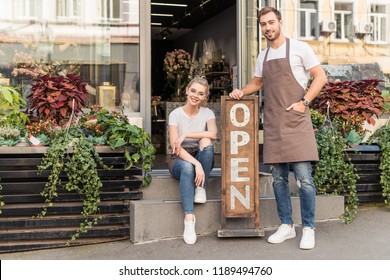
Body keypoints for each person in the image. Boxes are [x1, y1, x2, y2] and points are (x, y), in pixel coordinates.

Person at [229, 7, 327, 250]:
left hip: (296, 120)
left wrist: (304, 103)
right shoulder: (262, 56)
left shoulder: (300, 48)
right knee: (278, 179)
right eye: (263, 24)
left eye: (271, 22)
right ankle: (286, 225)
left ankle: (308, 228)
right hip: (273, 122)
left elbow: (320, 77)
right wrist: (242, 91)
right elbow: (258, 82)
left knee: (304, 179)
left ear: (280, 23)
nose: (267, 28)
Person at [168, 76, 218, 245]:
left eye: (201, 93)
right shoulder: (175, 114)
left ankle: (200, 188)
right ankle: (189, 219)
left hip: (200, 155)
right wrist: (196, 164)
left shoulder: (207, 113)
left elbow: (213, 134)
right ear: (187, 90)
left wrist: (186, 134)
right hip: (180, 159)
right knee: (188, 168)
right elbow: (175, 147)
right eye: (194, 91)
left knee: (207, 142)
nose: (196, 95)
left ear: (205, 97)